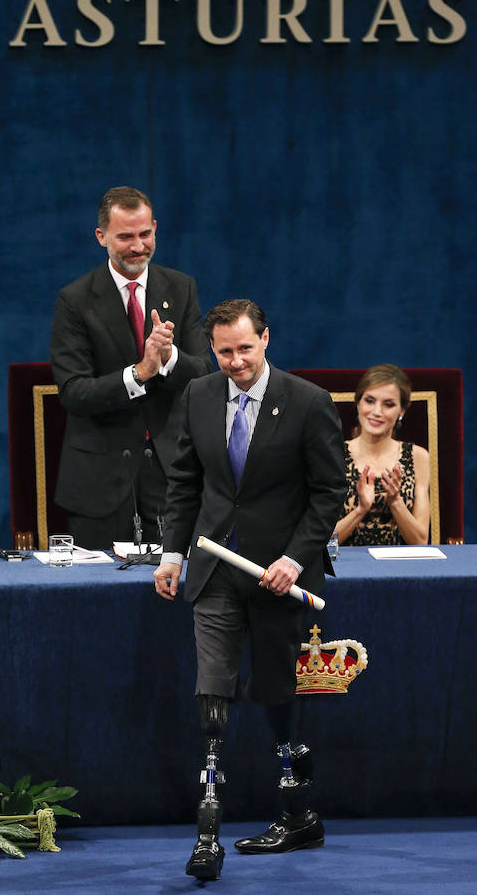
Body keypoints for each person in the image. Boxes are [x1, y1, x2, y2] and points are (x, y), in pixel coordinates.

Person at [154, 299, 347, 880]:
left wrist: (295, 557)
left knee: (274, 693)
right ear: (211, 349)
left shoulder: (308, 402)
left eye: (245, 348)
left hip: (281, 579)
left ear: (266, 339)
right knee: (212, 689)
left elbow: (330, 492)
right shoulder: (199, 395)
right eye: (223, 351)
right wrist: (170, 551)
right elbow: (185, 480)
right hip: (214, 569)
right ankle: (207, 833)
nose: (235, 361)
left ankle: (299, 813)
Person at [50, 186, 212, 549]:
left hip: (170, 477)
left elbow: (203, 372)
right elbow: (74, 391)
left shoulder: (181, 288)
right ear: (101, 236)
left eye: (145, 234)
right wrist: (139, 373)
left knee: (174, 595)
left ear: (154, 228)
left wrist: (168, 358)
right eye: (125, 237)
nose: (138, 246)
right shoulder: (74, 301)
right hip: (100, 484)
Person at [334, 363, 430, 546]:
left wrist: (395, 502)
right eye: (370, 401)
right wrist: (360, 510)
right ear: (358, 403)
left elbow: (421, 541)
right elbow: (320, 540)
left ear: (401, 411)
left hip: (402, 569)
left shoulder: (418, 457)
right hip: (346, 569)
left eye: (388, 404)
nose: (377, 412)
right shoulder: (333, 454)